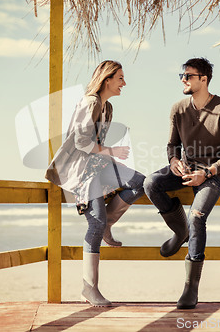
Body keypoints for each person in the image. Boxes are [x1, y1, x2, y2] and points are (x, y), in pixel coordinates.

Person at [143, 57, 220, 309]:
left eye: (188, 76)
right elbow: (171, 144)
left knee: (196, 215)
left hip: (214, 175)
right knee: (151, 182)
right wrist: (174, 159)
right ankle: (180, 231)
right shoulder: (178, 108)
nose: (183, 80)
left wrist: (207, 173)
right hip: (185, 170)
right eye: (182, 76)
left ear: (204, 79)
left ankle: (190, 288)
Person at [45, 60, 145, 307]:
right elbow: (81, 143)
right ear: (107, 79)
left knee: (139, 182)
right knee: (95, 222)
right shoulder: (90, 102)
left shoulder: (107, 107)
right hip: (81, 169)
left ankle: (109, 223)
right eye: (120, 78)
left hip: (97, 164)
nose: (124, 83)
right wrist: (112, 151)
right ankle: (89, 289)